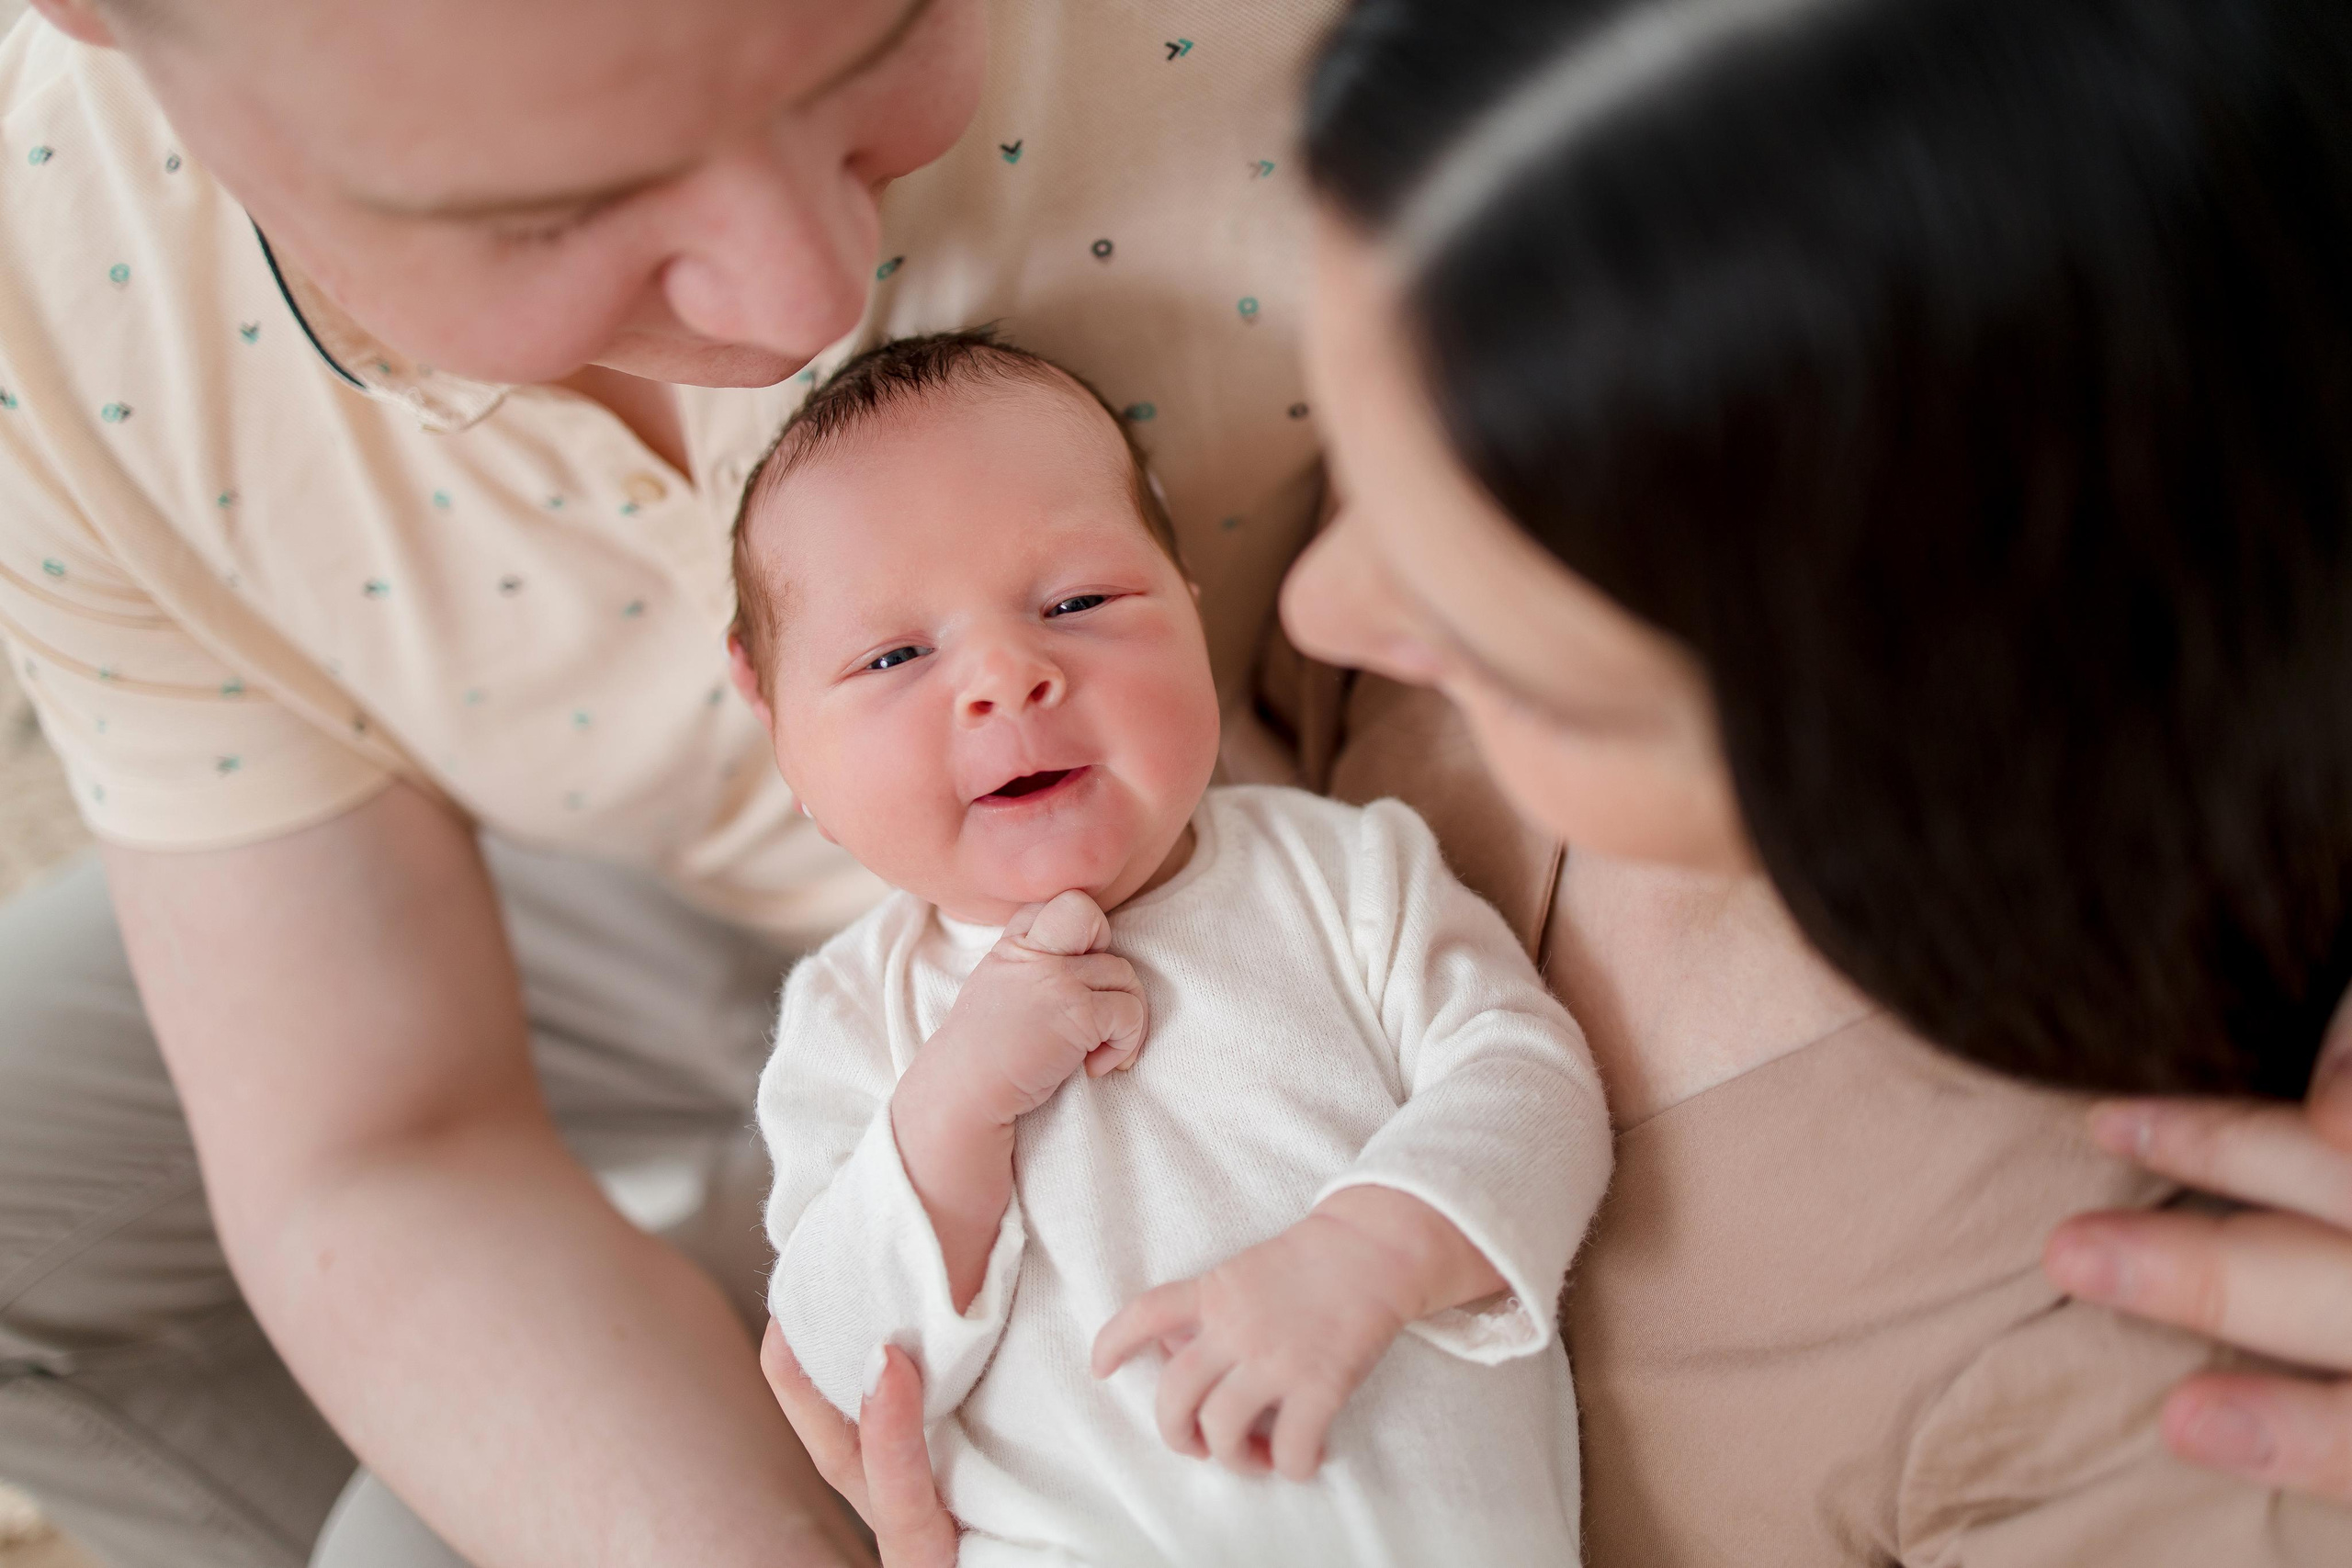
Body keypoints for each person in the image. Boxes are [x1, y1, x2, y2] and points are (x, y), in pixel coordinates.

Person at [767, 0, 2352, 1560]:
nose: (1305, 609)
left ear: (1867, 713)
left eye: (1488, 624)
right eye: (1371, 475)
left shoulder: (2118, 1355)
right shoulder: (1382, 695)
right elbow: (841, 1341)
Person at [0, 0, 1340, 1562]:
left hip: (1168, 878)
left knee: (398, 1540)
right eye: (548, 213)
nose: (805, 293)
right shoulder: (58, 283)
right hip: (622, 873)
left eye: (876, 41)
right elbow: (373, 1141)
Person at [732, 333, 1607, 1563]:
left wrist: (1368, 1256)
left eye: (1077, 602)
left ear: (1189, 608)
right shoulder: (853, 1018)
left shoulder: (1338, 872)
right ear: (775, 723)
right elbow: (842, 1365)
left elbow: (1532, 1085)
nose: (1006, 677)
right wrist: (955, 1103)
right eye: (894, 656)